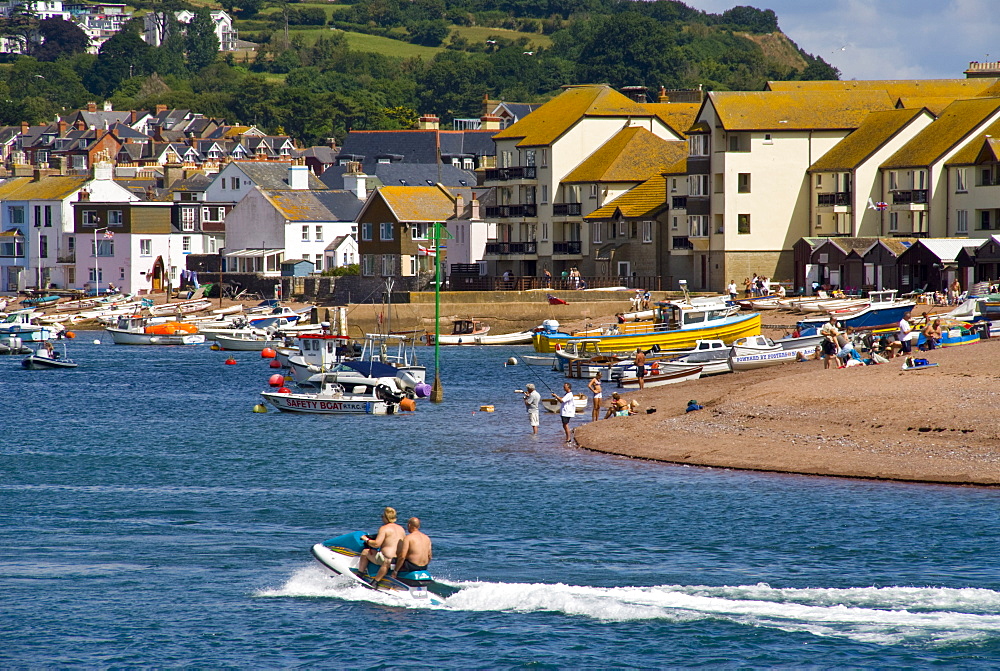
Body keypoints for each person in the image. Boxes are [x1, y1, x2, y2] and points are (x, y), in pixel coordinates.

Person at [358, 507, 406, 587]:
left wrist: (366, 539)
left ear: (386, 517)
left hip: (386, 559)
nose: (382, 518)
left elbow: (377, 544)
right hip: (397, 559)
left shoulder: (384, 528)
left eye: (382, 516)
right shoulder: (401, 529)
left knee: (365, 552)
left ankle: (360, 574)